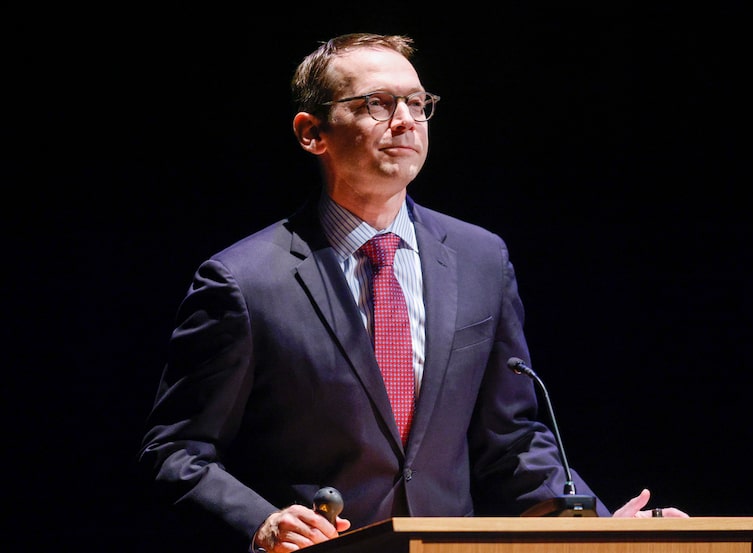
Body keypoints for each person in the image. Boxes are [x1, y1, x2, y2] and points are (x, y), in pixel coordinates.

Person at [137, 32, 688, 553]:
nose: (405, 122)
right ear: (312, 133)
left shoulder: (480, 260)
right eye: (377, 103)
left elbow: (512, 441)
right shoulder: (244, 281)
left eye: (418, 103)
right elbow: (175, 452)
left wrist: (595, 526)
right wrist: (261, 522)